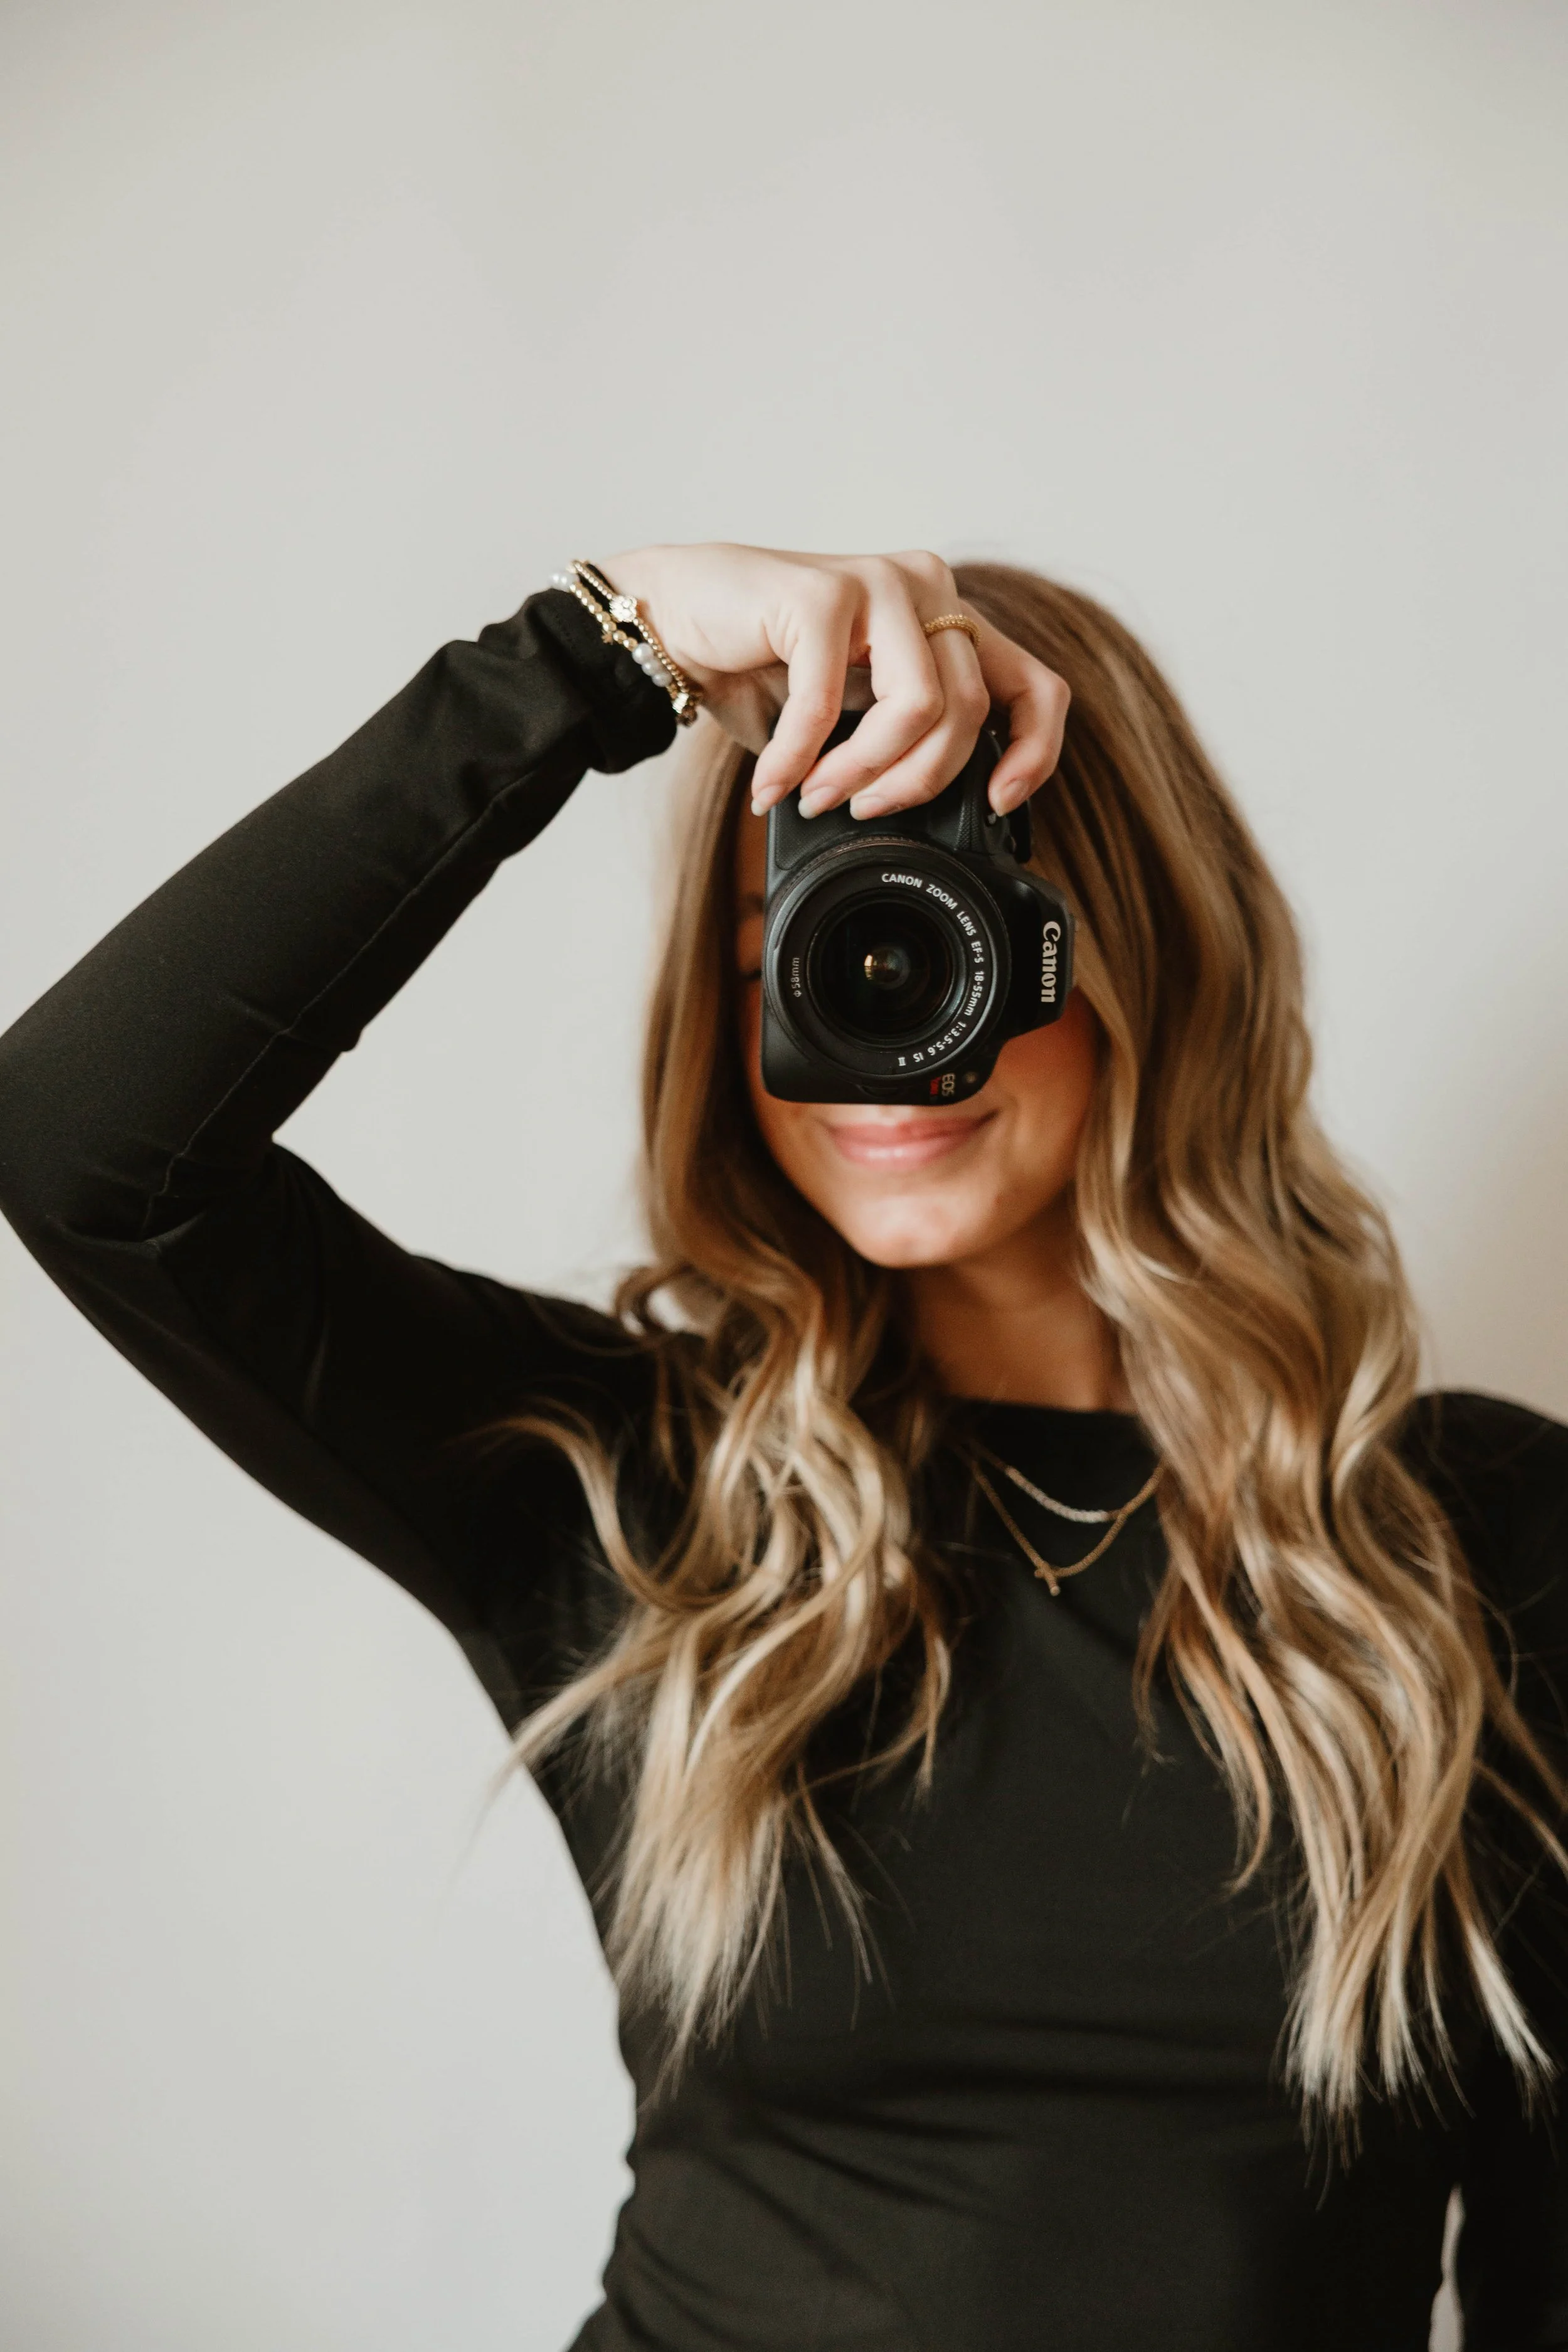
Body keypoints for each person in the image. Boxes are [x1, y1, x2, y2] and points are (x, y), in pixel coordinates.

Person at [0, 543, 1563, 2352]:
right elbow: (84, 1146)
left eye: (942, 938)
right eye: (818, 953)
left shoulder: (1484, 1545)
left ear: (1137, 962)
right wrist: (596, 652)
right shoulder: (628, 1482)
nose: (888, 1052)